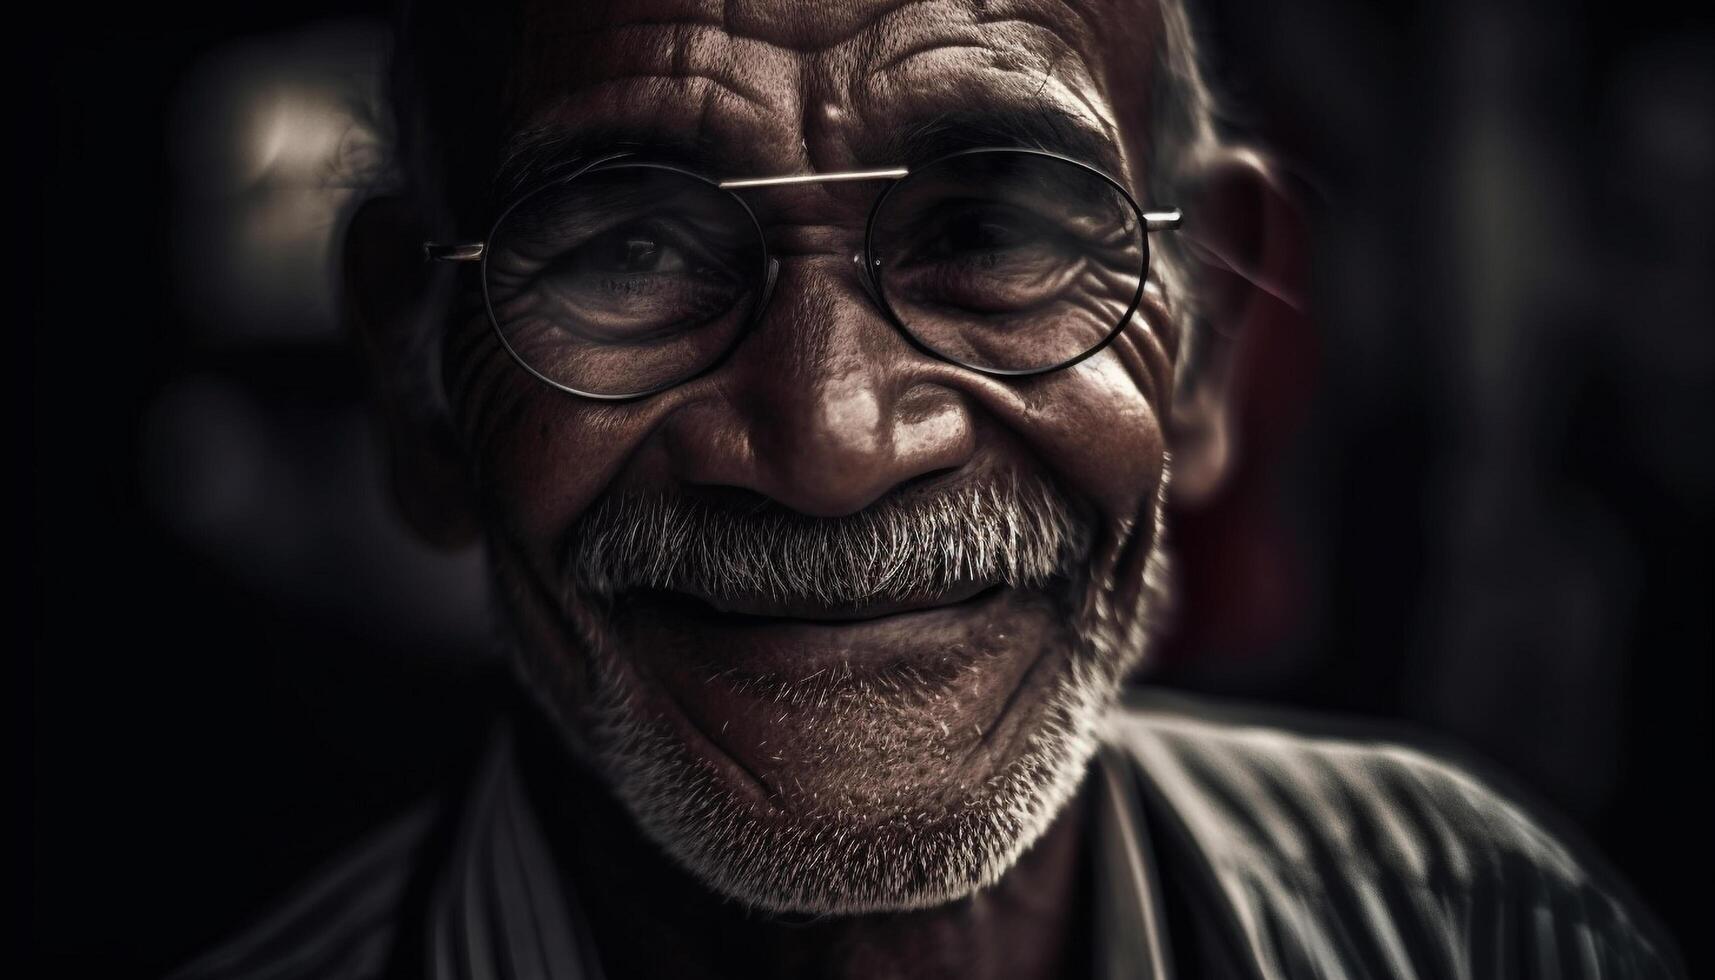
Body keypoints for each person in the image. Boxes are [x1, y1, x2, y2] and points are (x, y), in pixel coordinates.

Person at [174, 0, 1684, 976]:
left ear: (1208, 343)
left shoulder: (1483, 928)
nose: (833, 448)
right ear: (421, 382)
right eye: (628, 244)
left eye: (996, 227)